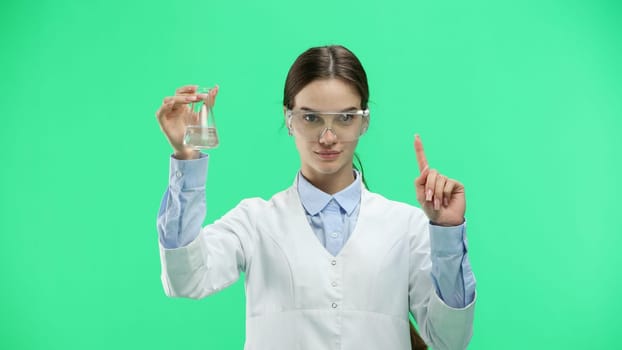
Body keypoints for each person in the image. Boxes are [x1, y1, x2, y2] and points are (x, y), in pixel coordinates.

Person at [155, 45, 476, 350]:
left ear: (364, 121)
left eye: (345, 117)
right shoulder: (254, 222)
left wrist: (447, 233)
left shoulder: (407, 226)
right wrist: (186, 158)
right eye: (311, 117)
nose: (328, 137)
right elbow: (186, 279)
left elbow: (449, 339)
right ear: (289, 119)